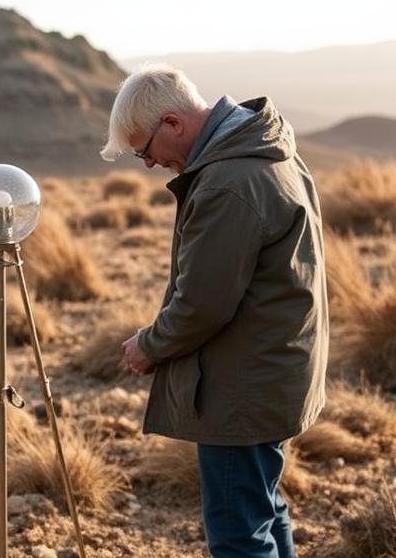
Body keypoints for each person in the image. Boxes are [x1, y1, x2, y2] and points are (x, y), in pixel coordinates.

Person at [99, 64, 329, 558]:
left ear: (174, 125)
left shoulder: (228, 181)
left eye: (144, 150)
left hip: (243, 387)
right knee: (263, 508)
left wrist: (149, 345)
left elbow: (203, 304)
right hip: (276, 367)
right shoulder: (266, 147)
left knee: (238, 534)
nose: (147, 164)